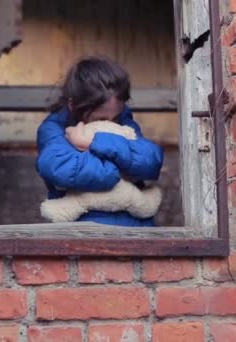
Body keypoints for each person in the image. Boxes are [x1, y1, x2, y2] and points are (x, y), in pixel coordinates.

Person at [36, 56, 164, 227]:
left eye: (116, 117)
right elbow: (60, 168)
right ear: (73, 106)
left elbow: (151, 162)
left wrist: (94, 142)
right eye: (101, 118)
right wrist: (121, 166)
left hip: (136, 229)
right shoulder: (54, 129)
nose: (109, 124)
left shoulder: (125, 122)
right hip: (83, 232)